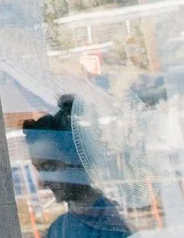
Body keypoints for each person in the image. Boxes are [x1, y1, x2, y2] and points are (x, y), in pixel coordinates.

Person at [22, 97, 133, 238]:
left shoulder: (111, 229)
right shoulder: (58, 228)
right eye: (39, 169)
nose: (44, 181)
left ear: (76, 160)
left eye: (50, 166)